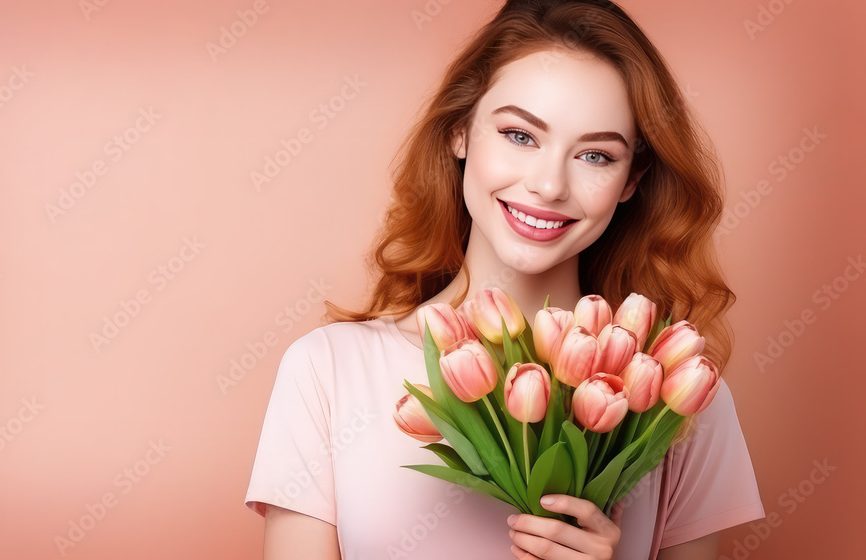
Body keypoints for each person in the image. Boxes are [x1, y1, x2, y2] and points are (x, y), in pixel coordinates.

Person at [244, 0, 765, 558]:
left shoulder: (674, 399)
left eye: (595, 155)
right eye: (521, 135)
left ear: (631, 180)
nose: (548, 185)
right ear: (460, 132)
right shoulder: (328, 370)